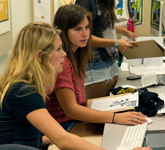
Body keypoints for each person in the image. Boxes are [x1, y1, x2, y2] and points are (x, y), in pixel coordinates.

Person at [44, 4, 150, 150]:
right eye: (77, 29)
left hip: (72, 121)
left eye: (87, 28)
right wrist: (114, 117)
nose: (85, 34)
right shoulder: (63, 63)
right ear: (63, 31)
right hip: (62, 126)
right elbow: (72, 110)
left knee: (121, 129)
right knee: (114, 137)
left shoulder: (77, 56)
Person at [0, 22, 113, 150]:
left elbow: (20, 137)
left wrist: (50, 136)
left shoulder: (23, 84)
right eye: (58, 49)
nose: (64, 54)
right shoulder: (23, 92)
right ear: (40, 56)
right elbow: (63, 141)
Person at [75, 0, 139, 100]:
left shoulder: (106, 2)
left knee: (108, 104)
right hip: (94, 64)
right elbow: (83, 37)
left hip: (110, 61)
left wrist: (125, 31)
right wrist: (115, 43)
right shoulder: (87, 2)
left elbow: (103, 24)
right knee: (97, 107)